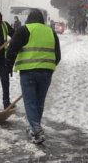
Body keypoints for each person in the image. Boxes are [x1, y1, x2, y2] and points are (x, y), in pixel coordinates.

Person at [6, 9, 61, 144]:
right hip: (46, 72)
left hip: (28, 72)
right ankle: (34, 126)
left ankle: (36, 129)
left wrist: (8, 67)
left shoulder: (24, 30)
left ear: (29, 19)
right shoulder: (51, 32)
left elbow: (12, 49)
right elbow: (57, 55)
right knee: (39, 102)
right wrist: (49, 67)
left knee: (30, 101)